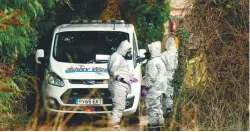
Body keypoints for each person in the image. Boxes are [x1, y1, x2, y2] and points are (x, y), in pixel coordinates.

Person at [107, 40, 138, 128]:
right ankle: (114, 125)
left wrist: (132, 79)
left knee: (119, 105)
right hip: (118, 85)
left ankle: (114, 123)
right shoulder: (116, 56)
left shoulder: (121, 57)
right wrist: (123, 79)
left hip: (121, 85)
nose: (129, 53)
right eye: (128, 50)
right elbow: (114, 71)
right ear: (123, 49)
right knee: (118, 106)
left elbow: (122, 71)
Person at [145, 41, 167, 131]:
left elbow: (151, 77)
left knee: (152, 108)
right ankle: (160, 125)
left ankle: (153, 126)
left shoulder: (152, 62)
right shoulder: (160, 60)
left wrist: (145, 89)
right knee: (158, 107)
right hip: (161, 89)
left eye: (149, 50)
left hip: (154, 89)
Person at [161, 33, 178, 116]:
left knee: (168, 93)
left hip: (167, 76)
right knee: (176, 92)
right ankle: (176, 108)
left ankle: (169, 109)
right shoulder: (177, 53)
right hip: (176, 75)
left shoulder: (163, 55)